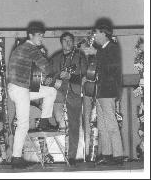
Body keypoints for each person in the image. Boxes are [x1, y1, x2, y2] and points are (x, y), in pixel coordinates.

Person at [7, 21, 57, 169]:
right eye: (39, 35)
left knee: (50, 91)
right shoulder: (31, 48)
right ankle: (16, 158)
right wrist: (55, 75)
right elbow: (46, 66)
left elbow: (36, 71)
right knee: (23, 124)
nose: (41, 38)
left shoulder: (21, 47)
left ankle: (44, 121)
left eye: (42, 35)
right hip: (20, 89)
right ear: (31, 35)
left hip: (20, 88)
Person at [82, 23, 124, 165]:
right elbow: (96, 69)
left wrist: (95, 53)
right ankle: (107, 154)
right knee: (102, 125)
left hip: (108, 91)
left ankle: (118, 155)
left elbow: (110, 67)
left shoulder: (113, 48)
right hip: (99, 92)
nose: (95, 36)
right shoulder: (101, 50)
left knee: (111, 124)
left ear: (104, 34)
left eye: (97, 33)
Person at [49, 32, 88, 166]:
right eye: (65, 40)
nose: (68, 43)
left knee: (74, 124)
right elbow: (50, 75)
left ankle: (71, 156)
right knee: (57, 119)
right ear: (61, 42)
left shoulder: (80, 57)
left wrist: (70, 77)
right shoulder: (55, 58)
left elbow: (84, 77)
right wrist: (57, 80)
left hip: (74, 92)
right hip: (59, 92)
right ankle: (54, 153)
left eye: (70, 40)